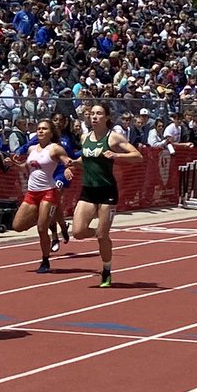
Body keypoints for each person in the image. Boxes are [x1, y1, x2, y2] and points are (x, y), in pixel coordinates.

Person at [68, 103, 142, 287]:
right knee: (77, 232)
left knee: (102, 236)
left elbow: (138, 156)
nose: (94, 117)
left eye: (98, 113)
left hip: (107, 190)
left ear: (107, 117)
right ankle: (102, 234)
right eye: (92, 113)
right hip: (88, 190)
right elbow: (86, 160)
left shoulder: (113, 137)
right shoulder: (85, 137)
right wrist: (72, 165)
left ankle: (106, 270)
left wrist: (117, 156)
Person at [11, 119, 74, 274]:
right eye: (38, 128)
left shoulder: (55, 149)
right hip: (32, 193)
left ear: (51, 132)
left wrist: (67, 169)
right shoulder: (32, 149)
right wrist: (14, 165)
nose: (40, 131)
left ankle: (45, 260)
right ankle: (51, 221)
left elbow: (67, 161)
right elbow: (26, 168)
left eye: (44, 129)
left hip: (48, 191)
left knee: (41, 228)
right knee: (17, 226)